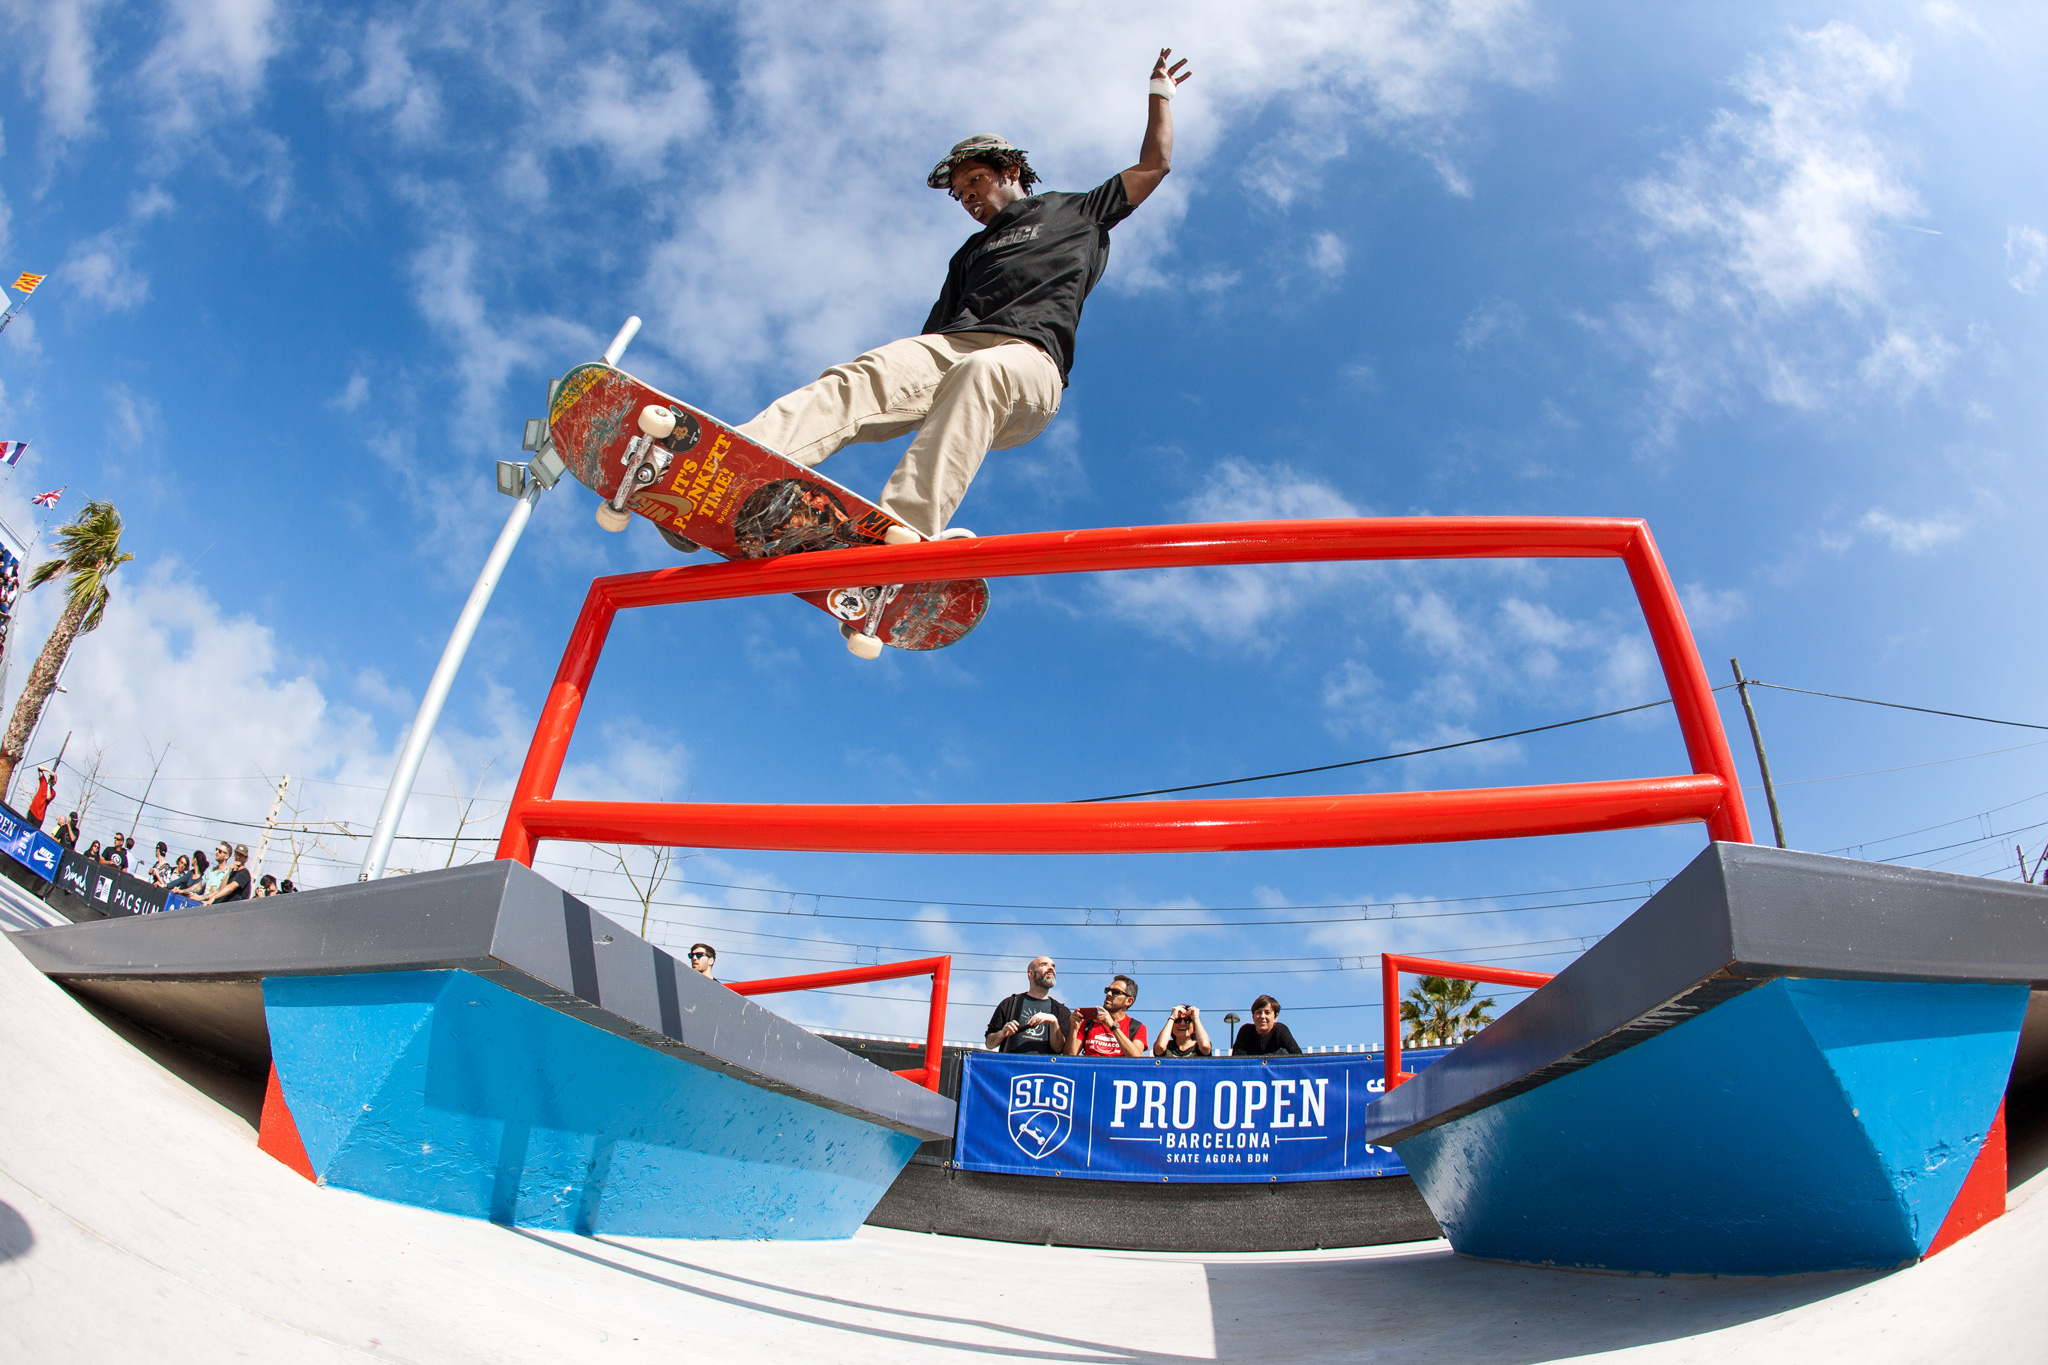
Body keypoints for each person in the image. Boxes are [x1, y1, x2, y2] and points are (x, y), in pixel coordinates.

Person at [729, 49, 1194, 583]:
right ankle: (738, 462)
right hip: (956, 344)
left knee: (981, 371)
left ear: (1010, 171)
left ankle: (903, 533)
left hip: (1028, 365)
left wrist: (1159, 95)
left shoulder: (1078, 210)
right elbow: (926, 351)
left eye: (975, 182)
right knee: (871, 371)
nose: (968, 198)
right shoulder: (969, 253)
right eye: (960, 195)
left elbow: (1153, 165)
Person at [984, 956, 1071, 1054]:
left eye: (1053, 966)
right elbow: (989, 1044)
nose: (1051, 968)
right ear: (1031, 974)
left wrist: (1053, 1022)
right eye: (1044, 965)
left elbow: (1059, 1049)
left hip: (1044, 1065)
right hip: (1013, 1063)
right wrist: (1002, 1033)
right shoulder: (1010, 1004)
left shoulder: (1061, 1011)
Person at [1067, 974, 1148, 1057]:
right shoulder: (1089, 1023)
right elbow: (1069, 1056)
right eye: (1107, 990)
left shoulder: (1137, 1028)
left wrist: (1113, 1026)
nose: (1109, 994)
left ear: (1129, 1001)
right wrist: (1074, 1028)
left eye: (1116, 992)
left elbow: (1136, 1057)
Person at [1231, 995, 1303, 1057]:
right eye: (1258, 1013)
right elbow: (1238, 1061)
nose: (1262, 1016)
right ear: (1253, 1016)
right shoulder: (1245, 1032)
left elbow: (1297, 1056)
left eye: (1267, 1013)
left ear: (1275, 1017)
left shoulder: (1280, 1030)